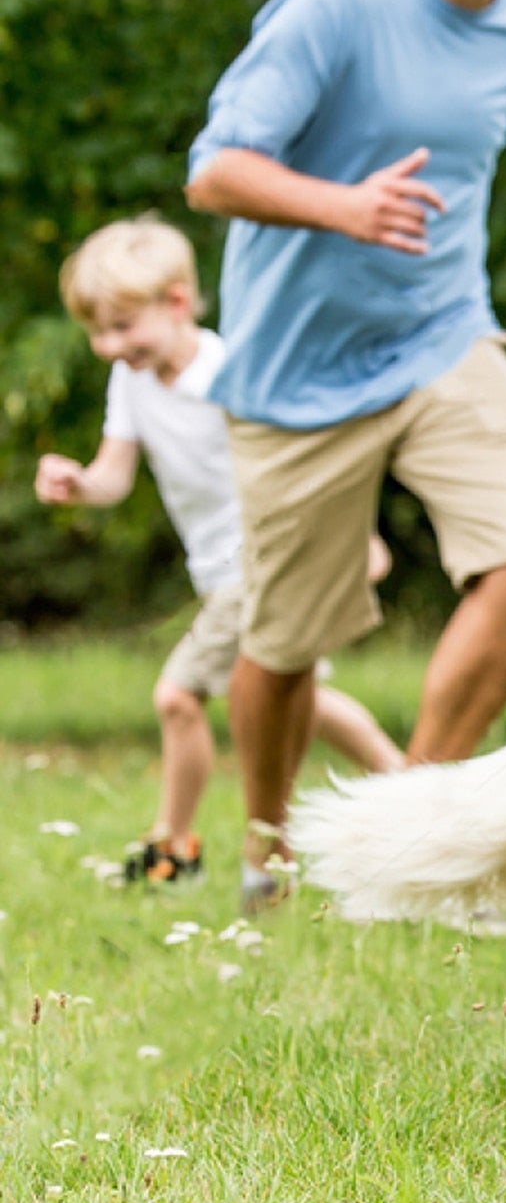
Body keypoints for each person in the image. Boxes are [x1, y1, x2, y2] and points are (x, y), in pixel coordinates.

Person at [183, 0, 506, 913]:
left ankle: (406, 827)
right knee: (284, 645)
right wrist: (345, 206)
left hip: (446, 334)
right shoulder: (338, 2)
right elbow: (213, 171)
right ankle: (268, 855)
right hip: (294, 370)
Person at [37, 215, 404, 886]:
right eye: (95, 331)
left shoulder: (231, 372)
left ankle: (175, 849)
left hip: (264, 560)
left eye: (121, 327)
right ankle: (414, 790)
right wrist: (80, 484)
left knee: (178, 695)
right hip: (216, 572)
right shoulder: (133, 380)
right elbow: (115, 475)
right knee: (300, 697)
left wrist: (356, 540)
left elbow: (305, 462)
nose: (107, 345)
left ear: (176, 302)